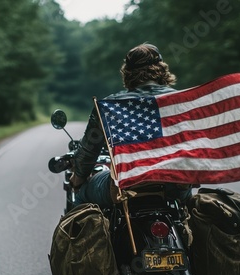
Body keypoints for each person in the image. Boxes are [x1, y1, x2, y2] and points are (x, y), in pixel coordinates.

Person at [70, 43, 192, 209]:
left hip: (125, 187)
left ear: (127, 73)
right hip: (172, 186)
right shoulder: (182, 101)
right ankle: (187, 231)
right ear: (162, 69)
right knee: (188, 209)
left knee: (82, 195)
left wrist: (77, 180)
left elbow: (89, 152)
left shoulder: (109, 105)